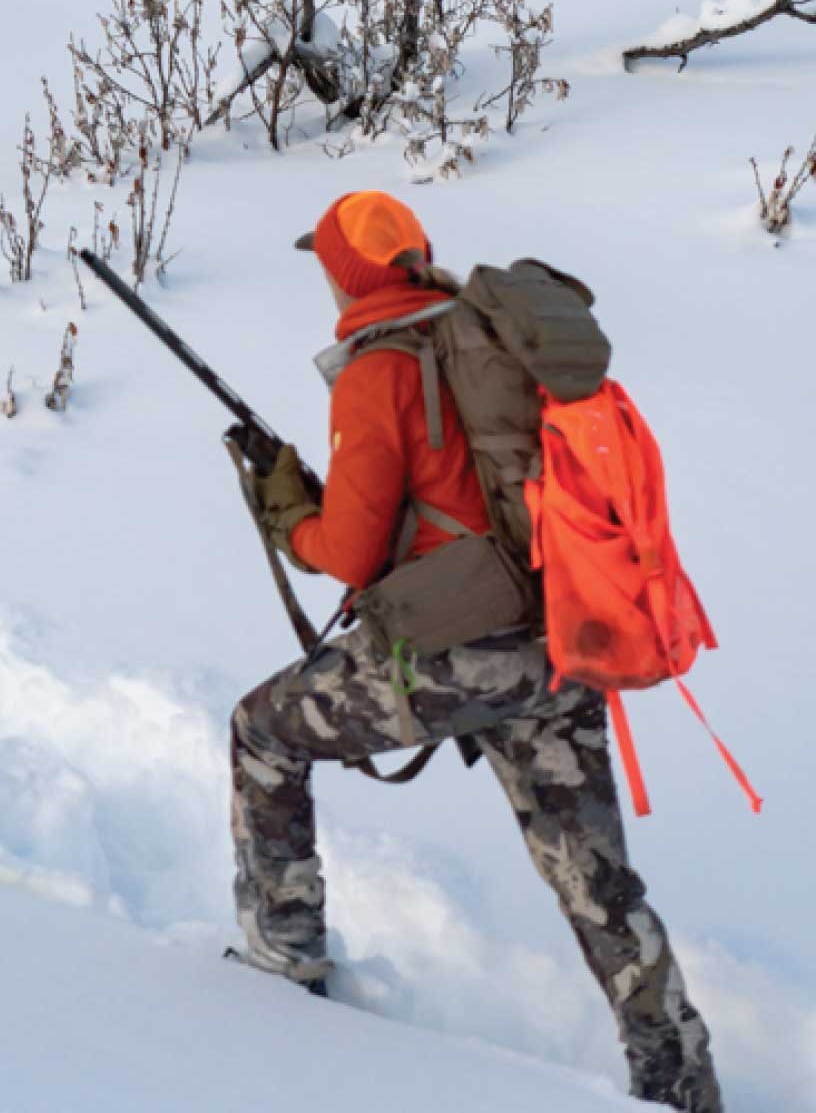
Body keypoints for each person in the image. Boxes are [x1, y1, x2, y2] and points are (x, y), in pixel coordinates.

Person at [230, 190, 721, 1113]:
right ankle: (682, 1085)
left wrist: (289, 512)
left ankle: (281, 957)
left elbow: (352, 551)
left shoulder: (374, 373)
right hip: (561, 643)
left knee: (262, 732)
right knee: (598, 884)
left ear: (344, 275)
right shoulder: (495, 341)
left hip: (458, 658)